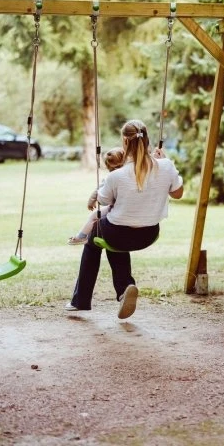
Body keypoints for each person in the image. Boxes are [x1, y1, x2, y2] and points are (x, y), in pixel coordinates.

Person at [65, 119, 184, 319]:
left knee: (96, 240)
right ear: (147, 140)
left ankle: (80, 301)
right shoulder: (166, 166)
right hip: (148, 234)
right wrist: (165, 160)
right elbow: (178, 194)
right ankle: (124, 289)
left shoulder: (117, 176)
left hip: (118, 233)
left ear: (124, 143)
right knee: (114, 238)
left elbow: (103, 200)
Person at [67, 147, 125, 246]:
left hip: (115, 209)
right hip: (124, 209)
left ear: (107, 165)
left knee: (94, 216)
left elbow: (97, 191)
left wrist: (91, 201)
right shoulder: (131, 174)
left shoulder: (110, 177)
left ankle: (81, 236)